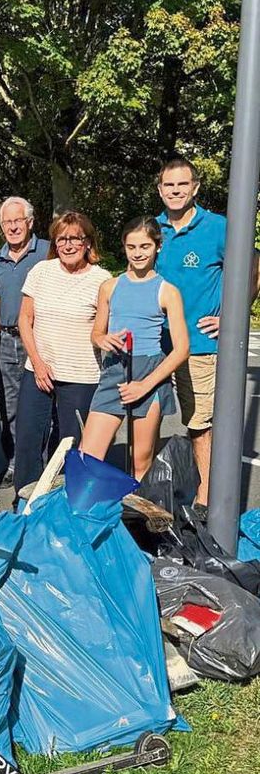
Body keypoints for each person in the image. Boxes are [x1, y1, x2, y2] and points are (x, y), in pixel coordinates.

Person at [154, 157, 260, 511]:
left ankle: (205, 503)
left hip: (199, 347)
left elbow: (253, 266)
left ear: (195, 188)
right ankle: (147, 495)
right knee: (145, 420)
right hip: (155, 346)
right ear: (160, 189)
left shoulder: (218, 228)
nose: (175, 191)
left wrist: (232, 315)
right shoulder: (151, 231)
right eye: (169, 185)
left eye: (182, 184)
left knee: (199, 424)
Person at [80, 218, 189, 478]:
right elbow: (96, 332)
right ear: (124, 247)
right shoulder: (110, 286)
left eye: (145, 246)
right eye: (131, 247)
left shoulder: (168, 291)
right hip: (115, 370)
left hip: (149, 373)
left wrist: (145, 385)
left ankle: (140, 518)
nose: (138, 253)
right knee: (88, 456)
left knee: (140, 461)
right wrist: (101, 339)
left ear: (157, 247)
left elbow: (182, 349)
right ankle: (86, 516)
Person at [15, 211, 112, 494]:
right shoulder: (41, 272)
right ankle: (25, 504)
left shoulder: (102, 279)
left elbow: (107, 326)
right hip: (39, 372)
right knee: (28, 440)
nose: (68, 245)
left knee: (72, 446)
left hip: (82, 376)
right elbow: (25, 319)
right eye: (61, 239)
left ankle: (65, 504)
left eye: (75, 239)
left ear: (88, 243)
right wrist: (37, 361)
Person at [0, 197, 49, 486]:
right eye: (7, 222)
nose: (12, 227)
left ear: (30, 222)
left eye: (17, 221)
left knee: (43, 405)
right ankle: (14, 463)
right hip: (7, 341)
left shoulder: (48, 252)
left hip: (40, 338)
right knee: (8, 406)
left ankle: (45, 466)